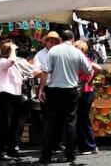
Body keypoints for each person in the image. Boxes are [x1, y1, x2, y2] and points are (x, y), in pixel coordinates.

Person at [38, 30, 93, 165]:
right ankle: (70, 154)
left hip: (54, 90)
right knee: (70, 122)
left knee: (50, 122)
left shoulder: (53, 51)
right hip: (71, 90)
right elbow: (88, 70)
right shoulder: (77, 52)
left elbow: (45, 71)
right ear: (73, 39)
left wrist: (41, 88)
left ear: (61, 39)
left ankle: (46, 156)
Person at [0, 42, 23, 161]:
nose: (15, 52)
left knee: (14, 124)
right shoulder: (3, 61)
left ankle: (11, 149)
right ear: (8, 52)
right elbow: (11, 61)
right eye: (13, 50)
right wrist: (13, 49)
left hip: (15, 95)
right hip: (5, 94)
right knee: (5, 124)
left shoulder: (12, 65)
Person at [74, 40, 102, 155]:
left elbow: (98, 68)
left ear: (82, 50)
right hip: (85, 92)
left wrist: (89, 81)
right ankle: (87, 146)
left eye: (77, 48)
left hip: (84, 93)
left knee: (82, 119)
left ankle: (89, 146)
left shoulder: (83, 59)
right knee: (82, 119)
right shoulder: (82, 59)